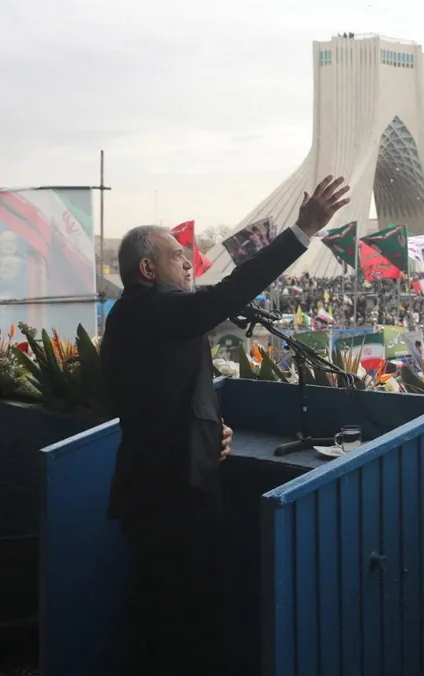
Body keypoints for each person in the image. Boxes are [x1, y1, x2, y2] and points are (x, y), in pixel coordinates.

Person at [101, 175, 350, 676]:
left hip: (161, 486)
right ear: (147, 269)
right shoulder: (153, 309)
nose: (188, 263)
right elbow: (229, 292)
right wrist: (302, 231)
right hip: (171, 496)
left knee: (167, 616)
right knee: (180, 623)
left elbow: (164, 397)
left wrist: (210, 428)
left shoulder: (143, 315)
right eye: (177, 256)